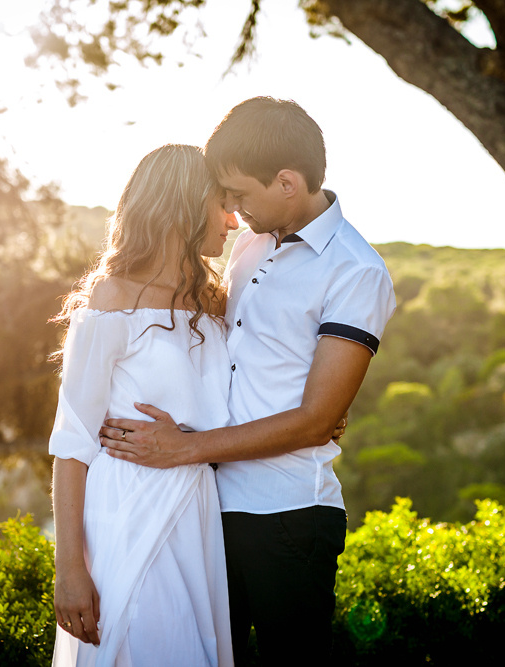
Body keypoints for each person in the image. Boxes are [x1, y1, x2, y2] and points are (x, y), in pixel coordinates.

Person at [100, 97, 398, 665]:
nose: (232, 213)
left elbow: (314, 420)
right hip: (206, 508)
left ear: (287, 183)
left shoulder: (356, 270)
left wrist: (186, 448)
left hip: (287, 515)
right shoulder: (251, 244)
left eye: (238, 195)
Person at [49, 144, 239, 666]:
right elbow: (72, 442)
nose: (233, 219)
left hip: (200, 511)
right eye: (222, 204)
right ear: (184, 206)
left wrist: (320, 414)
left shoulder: (215, 302)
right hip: (127, 508)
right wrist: (70, 569)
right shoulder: (112, 298)